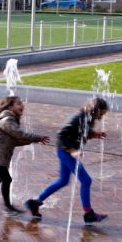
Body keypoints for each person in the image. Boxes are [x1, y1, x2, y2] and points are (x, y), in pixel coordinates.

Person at [24, 96, 108, 224]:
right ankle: (88, 213)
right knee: (86, 180)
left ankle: (35, 203)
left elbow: (79, 132)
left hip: (64, 151)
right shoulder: (79, 118)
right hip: (66, 152)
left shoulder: (85, 118)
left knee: (63, 181)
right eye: (102, 113)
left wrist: (94, 134)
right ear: (96, 110)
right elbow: (61, 134)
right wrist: (72, 150)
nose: (102, 116)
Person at [0, 96, 50, 214]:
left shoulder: (9, 120)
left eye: (21, 104)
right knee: (7, 179)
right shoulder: (7, 120)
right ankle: (8, 207)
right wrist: (37, 137)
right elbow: (19, 134)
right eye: (18, 104)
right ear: (10, 107)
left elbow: (15, 141)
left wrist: (34, 140)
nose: (22, 106)